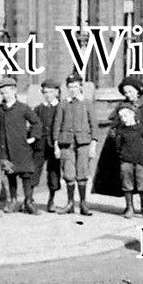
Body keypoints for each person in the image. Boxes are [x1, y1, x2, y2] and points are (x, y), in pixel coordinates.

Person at [0, 77, 42, 213]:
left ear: (14, 91)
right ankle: (13, 201)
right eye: (2, 93)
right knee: (10, 175)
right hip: (5, 148)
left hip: (21, 148)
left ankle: (28, 202)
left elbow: (37, 123)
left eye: (7, 92)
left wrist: (33, 138)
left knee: (26, 175)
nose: (5, 95)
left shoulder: (23, 108)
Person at [54, 74, 98, 216]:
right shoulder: (63, 104)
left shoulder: (87, 103)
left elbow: (94, 126)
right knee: (68, 173)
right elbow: (57, 125)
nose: (72, 89)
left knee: (82, 172)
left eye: (75, 86)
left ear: (80, 87)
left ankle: (83, 204)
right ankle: (70, 203)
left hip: (83, 143)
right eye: (70, 86)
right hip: (66, 144)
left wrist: (93, 145)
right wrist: (56, 145)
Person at [113, 105, 143, 217]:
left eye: (125, 116)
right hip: (126, 162)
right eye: (121, 117)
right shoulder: (121, 131)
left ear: (132, 114)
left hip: (141, 161)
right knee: (127, 185)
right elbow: (118, 145)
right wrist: (122, 156)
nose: (123, 119)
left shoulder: (141, 129)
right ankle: (129, 207)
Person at [33, 79, 63, 212]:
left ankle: (51, 200)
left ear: (56, 92)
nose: (48, 95)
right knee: (34, 170)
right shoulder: (39, 108)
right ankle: (29, 199)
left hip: (54, 145)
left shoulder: (61, 107)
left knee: (53, 171)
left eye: (51, 92)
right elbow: (33, 125)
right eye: (45, 92)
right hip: (39, 145)